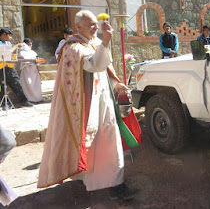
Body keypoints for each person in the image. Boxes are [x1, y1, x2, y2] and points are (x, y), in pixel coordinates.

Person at [38, 10, 140, 200]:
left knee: (110, 143)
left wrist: (117, 86)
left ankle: (115, 185)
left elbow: (105, 72)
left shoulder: (94, 43)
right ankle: (89, 181)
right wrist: (107, 41)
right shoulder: (73, 48)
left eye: (95, 23)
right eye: (91, 24)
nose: (96, 27)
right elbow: (94, 65)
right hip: (85, 107)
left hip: (103, 103)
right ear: (78, 27)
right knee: (89, 145)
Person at [0, 28, 33, 107]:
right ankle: (4, 103)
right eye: (9, 36)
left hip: (9, 66)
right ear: (4, 35)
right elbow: (6, 52)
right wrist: (16, 46)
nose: (10, 38)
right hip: (1, 67)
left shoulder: (7, 43)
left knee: (16, 83)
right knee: (2, 86)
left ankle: (24, 100)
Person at [18, 38, 43, 103]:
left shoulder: (33, 52)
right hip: (27, 70)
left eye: (31, 44)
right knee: (28, 84)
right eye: (29, 44)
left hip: (34, 70)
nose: (30, 46)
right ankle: (30, 99)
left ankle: (37, 99)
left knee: (36, 85)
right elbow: (23, 60)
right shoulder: (21, 52)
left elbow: (37, 60)